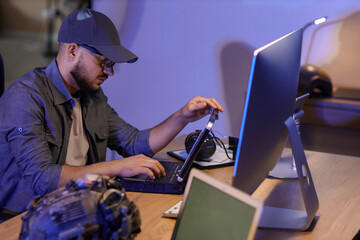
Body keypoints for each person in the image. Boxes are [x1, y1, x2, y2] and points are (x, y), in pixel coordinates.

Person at [0, 9, 223, 216]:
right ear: (73, 50)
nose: (110, 72)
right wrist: (119, 166)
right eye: (103, 62)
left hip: (80, 208)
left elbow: (135, 143)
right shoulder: (25, 98)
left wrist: (183, 116)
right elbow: (42, 179)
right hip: (28, 220)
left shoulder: (92, 96)